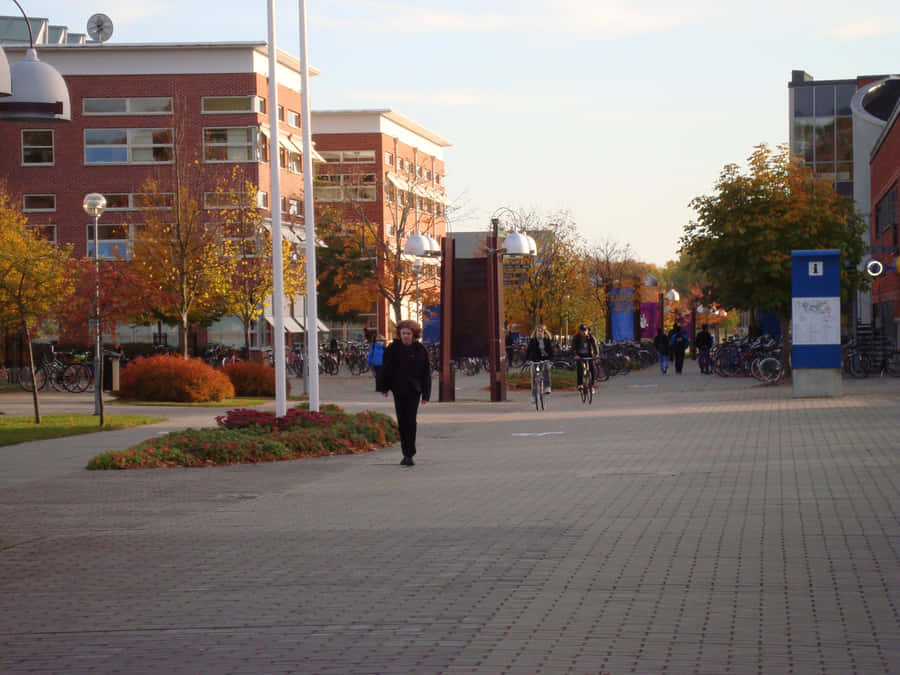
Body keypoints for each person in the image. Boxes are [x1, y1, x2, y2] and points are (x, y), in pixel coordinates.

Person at [377, 320, 431, 467]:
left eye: (408, 333)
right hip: (398, 389)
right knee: (402, 421)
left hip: (414, 390)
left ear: (414, 335)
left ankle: (409, 454)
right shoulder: (393, 348)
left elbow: (426, 373)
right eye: (403, 333)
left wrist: (426, 395)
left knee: (411, 420)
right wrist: (384, 387)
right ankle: (405, 453)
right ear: (399, 334)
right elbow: (386, 369)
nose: (405, 336)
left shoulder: (420, 349)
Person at [525, 325, 553, 399]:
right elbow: (528, 351)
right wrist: (527, 360)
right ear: (536, 332)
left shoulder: (547, 340)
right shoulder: (533, 340)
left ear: (544, 332)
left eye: (541, 331)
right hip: (535, 360)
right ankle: (534, 396)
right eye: (538, 331)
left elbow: (551, 351)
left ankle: (547, 387)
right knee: (534, 377)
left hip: (544, 359)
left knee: (546, 369)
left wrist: (551, 360)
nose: (540, 333)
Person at [571, 323, 598, 391]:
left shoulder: (591, 337)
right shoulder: (576, 337)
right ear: (580, 331)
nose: (584, 332)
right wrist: (575, 355)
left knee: (592, 369)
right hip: (579, 355)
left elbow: (595, 345)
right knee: (580, 369)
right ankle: (580, 384)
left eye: (585, 330)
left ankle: (591, 385)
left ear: (587, 331)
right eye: (582, 331)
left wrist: (597, 354)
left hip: (589, 354)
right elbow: (573, 347)